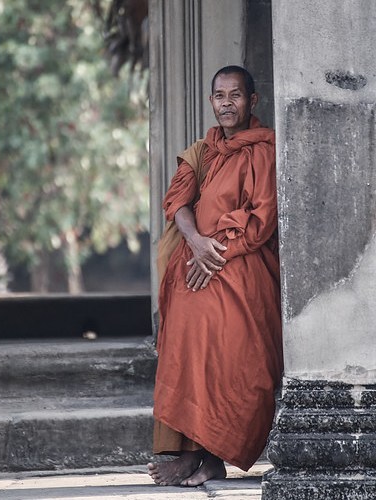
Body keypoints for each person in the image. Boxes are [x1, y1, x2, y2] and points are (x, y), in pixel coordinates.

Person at [148, 65, 283, 487]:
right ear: (211, 102)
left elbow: (262, 219)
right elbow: (177, 202)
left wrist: (215, 250)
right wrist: (196, 243)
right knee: (186, 341)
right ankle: (190, 455)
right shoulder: (203, 151)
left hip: (240, 264)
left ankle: (213, 457)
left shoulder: (264, 150)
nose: (227, 103)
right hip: (198, 259)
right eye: (219, 96)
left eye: (236, 95)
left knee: (229, 351)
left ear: (253, 101)